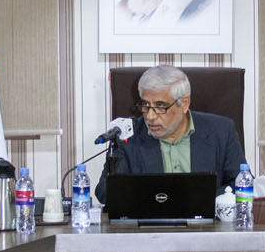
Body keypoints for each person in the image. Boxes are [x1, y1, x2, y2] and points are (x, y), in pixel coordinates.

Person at [98, 65, 246, 196]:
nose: (150, 116)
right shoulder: (128, 136)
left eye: (160, 106)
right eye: (145, 105)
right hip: (150, 219)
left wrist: (203, 201)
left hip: (205, 218)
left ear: (184, 104)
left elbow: (242, 183)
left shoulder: (221, 131)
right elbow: (104, 191)